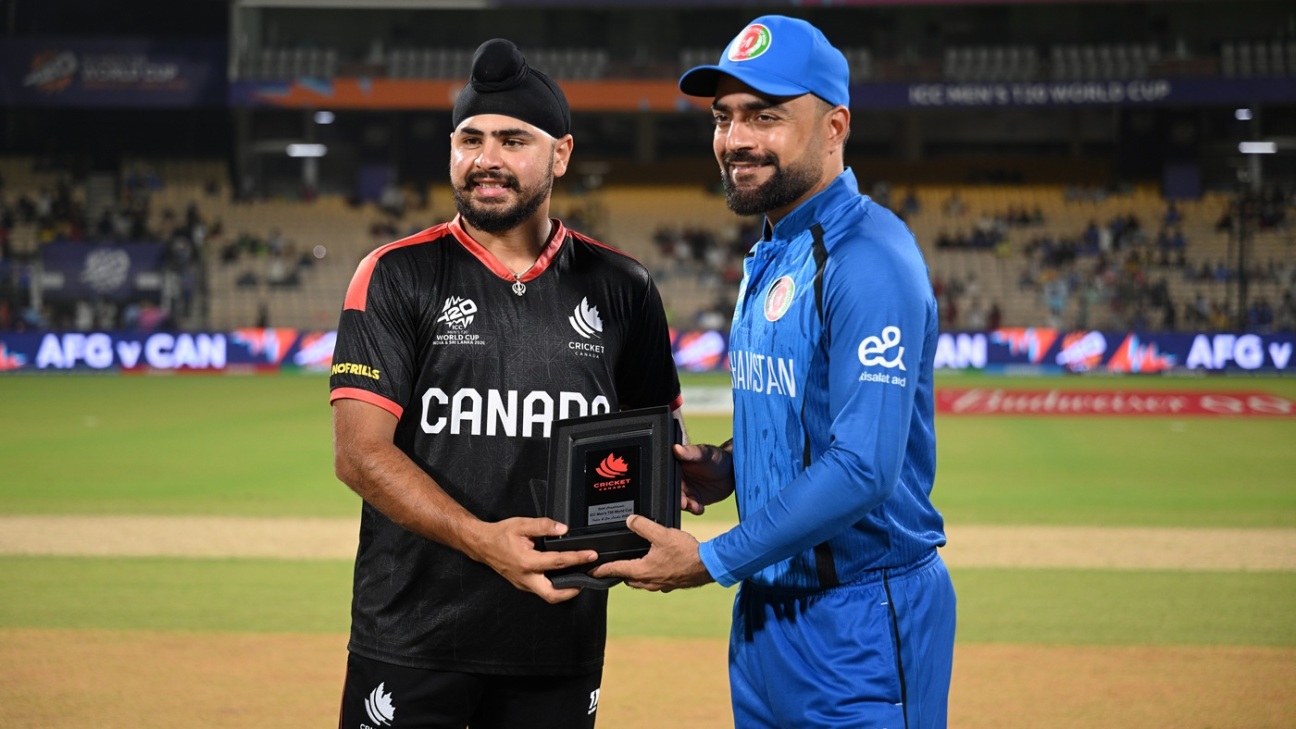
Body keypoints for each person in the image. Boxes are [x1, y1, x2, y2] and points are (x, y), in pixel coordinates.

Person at [593, 15, 956, 729]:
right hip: (766, 615)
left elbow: (863, 467)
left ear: (834, 126)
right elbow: (805, 413)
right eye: (724, 117)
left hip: (860, 621)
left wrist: (710, 559)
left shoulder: (868, 258)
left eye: (766, 116)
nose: (736, 139)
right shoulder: (777, 248)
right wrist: (733, 465)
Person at [329, 38, 683, 729]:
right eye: (471, 139)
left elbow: (654, 439)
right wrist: (480, 538)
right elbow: (359, 454)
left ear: (561, 154)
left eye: (513, 140)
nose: (486, 158)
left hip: (559, 638)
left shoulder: (624, 287)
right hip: (413, 635)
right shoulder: (396, 273)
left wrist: (679, 476)